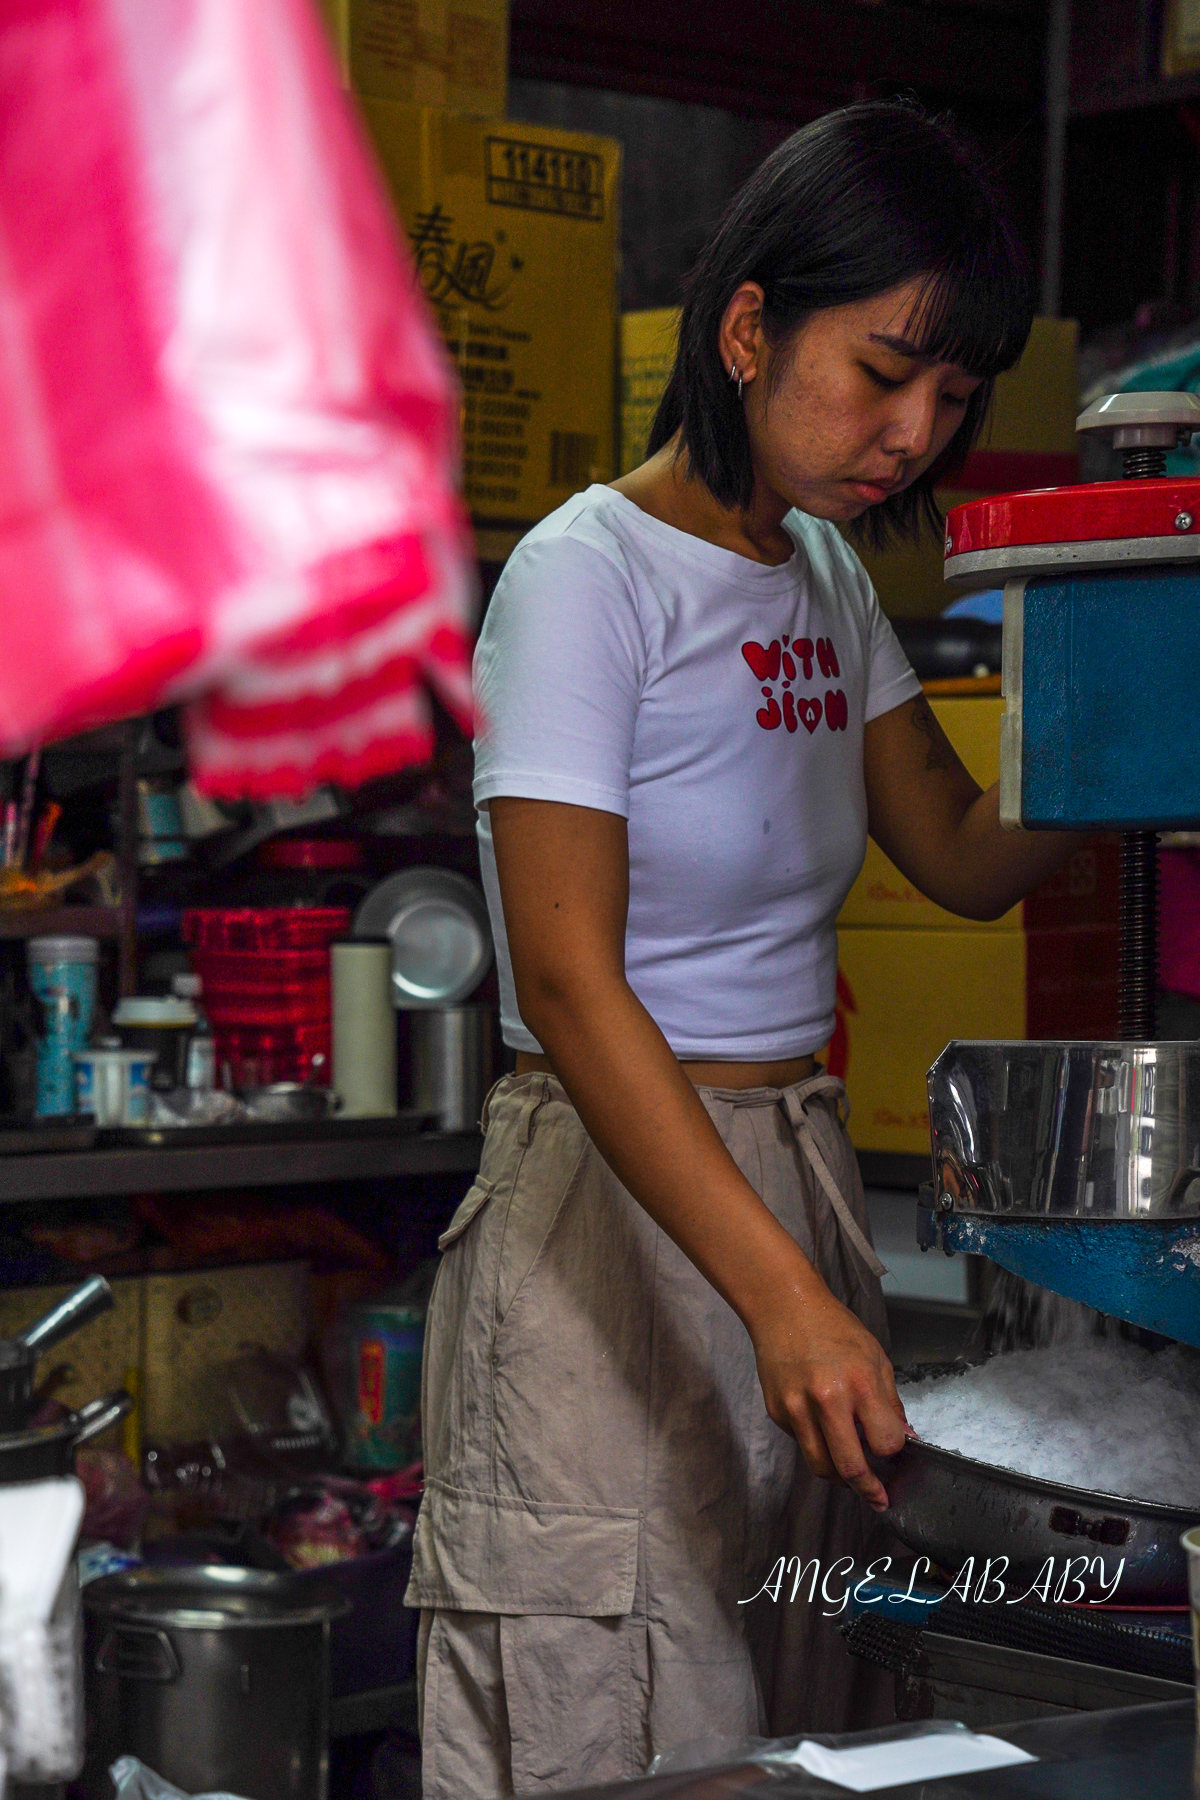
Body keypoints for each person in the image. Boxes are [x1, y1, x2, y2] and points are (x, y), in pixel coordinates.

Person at [406, 100, 1076, 1797]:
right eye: (886, 371)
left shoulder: (829, 581)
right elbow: (564, 978)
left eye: (955, 396)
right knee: (600, 1698)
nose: (915, 431)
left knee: (783, 1717)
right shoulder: (584, 575)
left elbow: (972, 857)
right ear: (751, 324)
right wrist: (783, 1301)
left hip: (792, 1170)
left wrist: (1134, 708)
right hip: (610, 1207)